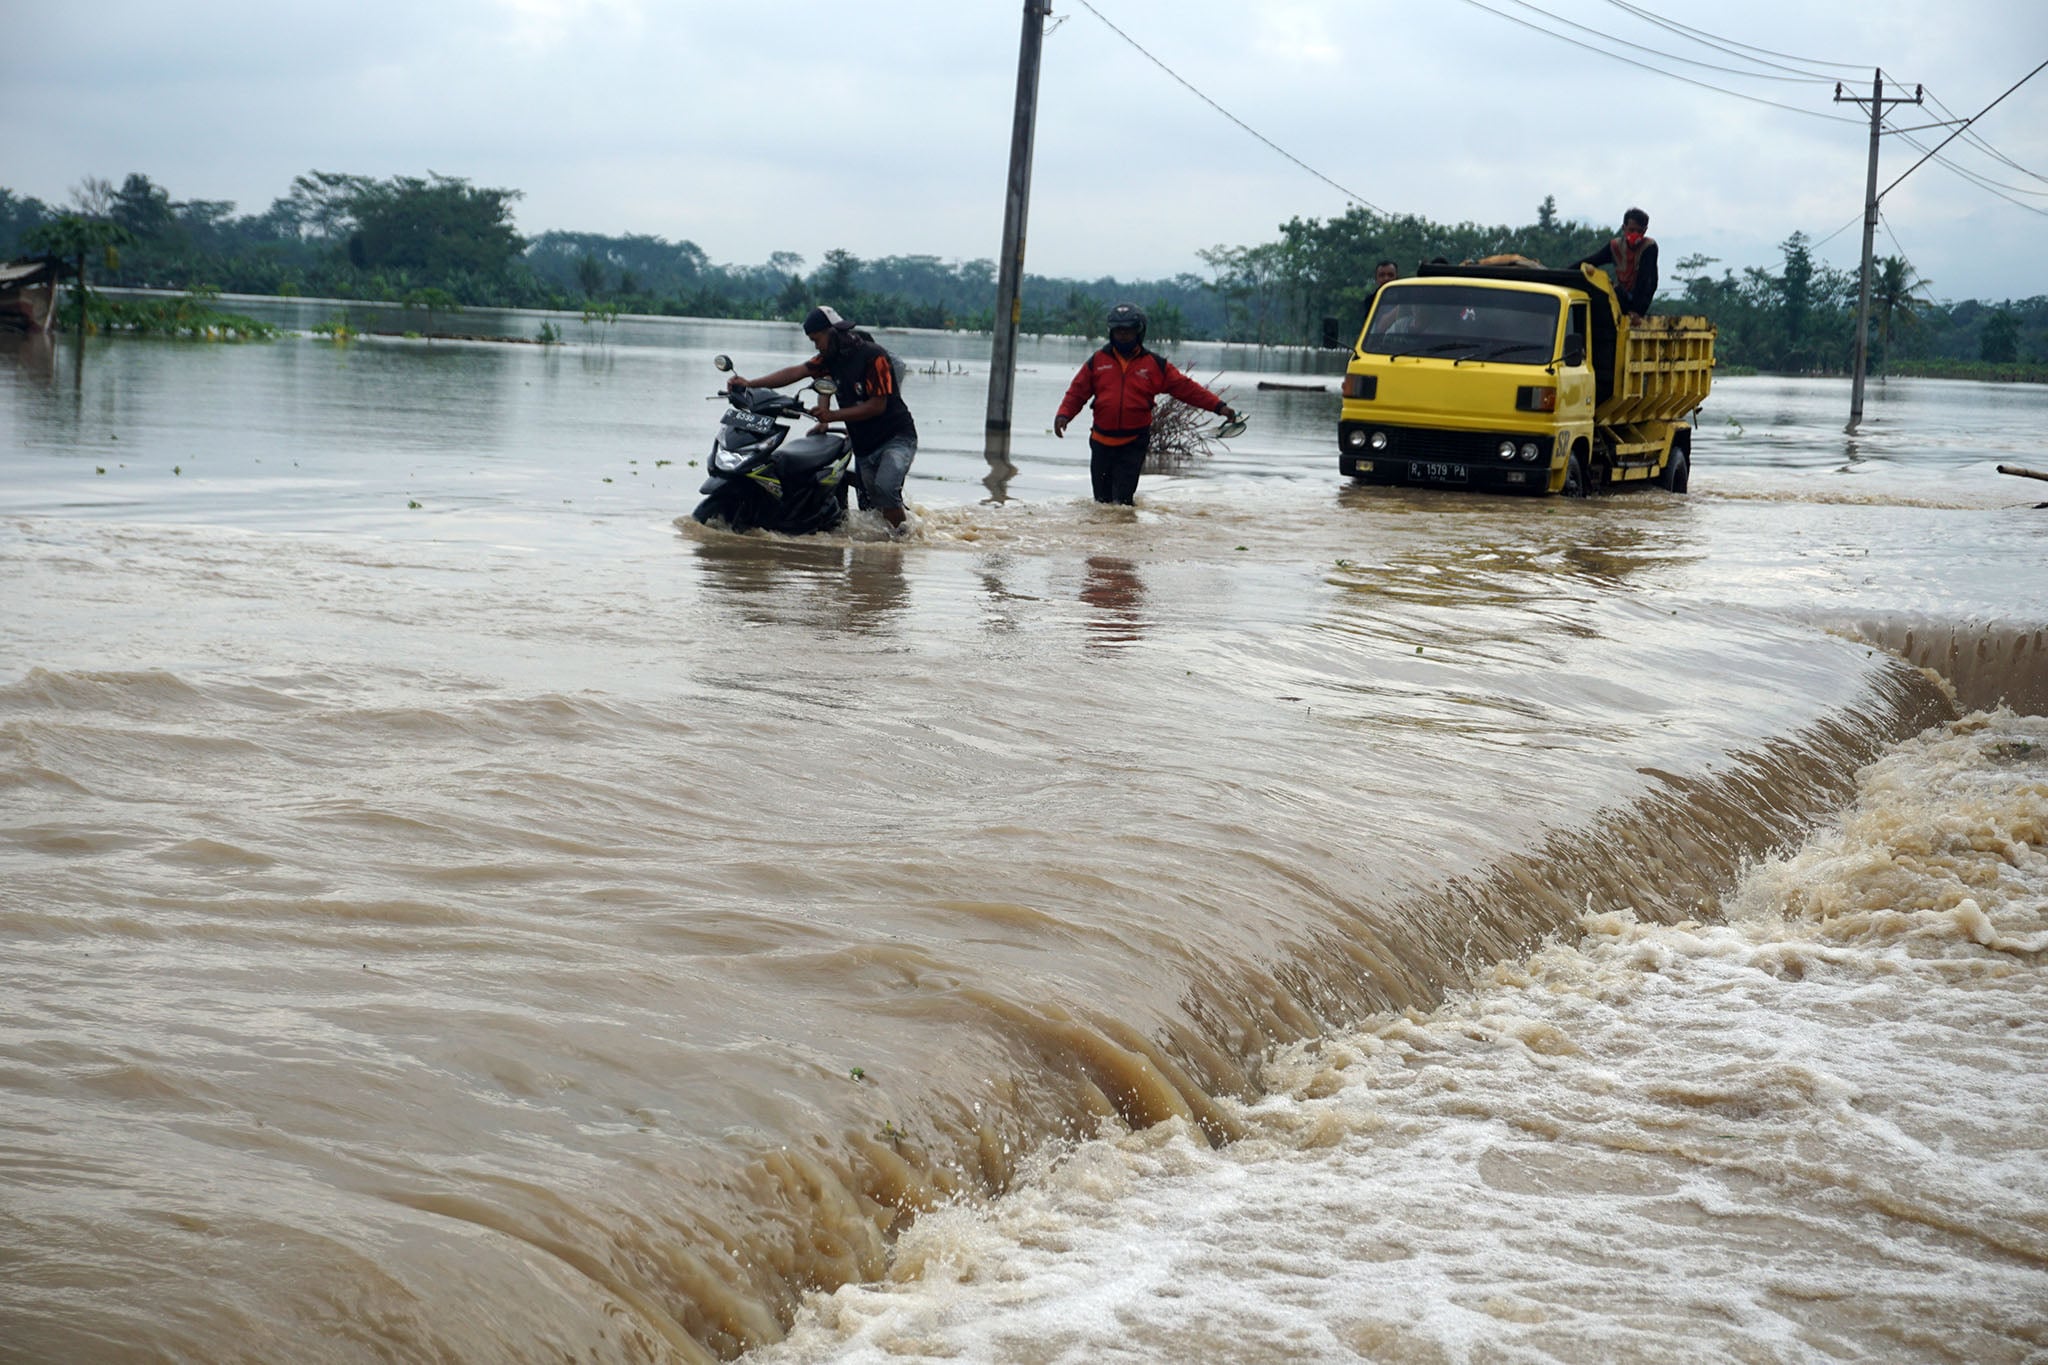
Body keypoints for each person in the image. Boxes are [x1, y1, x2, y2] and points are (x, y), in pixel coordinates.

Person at [726, 305, 917, 530]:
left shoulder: (874, 357)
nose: (816, 346)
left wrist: (831, 416)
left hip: (896, 438)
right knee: (874, 504)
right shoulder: (830, 359)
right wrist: (750, 383)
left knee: (885, 488)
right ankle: (892, 546)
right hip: (864, 444)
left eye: (816, 340)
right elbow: (796, 372)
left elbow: (877, 406)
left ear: (832, 333)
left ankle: (904, 539)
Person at [1053, 302, 1240, 505]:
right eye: (1118, 331)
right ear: (1111, 332)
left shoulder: (1155, 365)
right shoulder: (1097, 361)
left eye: (1128, 331)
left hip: (1133, 444)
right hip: (1101, 443)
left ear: (1139, 331)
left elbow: (1187, 389)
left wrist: (1219, 406)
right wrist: (1064, 414)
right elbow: (1077, 392)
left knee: (1123, 502)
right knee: (1101, 503)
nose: (1123, 335)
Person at [1577, 207, 1659, 320]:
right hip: (1620, 297)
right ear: (1624, 228)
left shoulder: (1648, 247)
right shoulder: (1616, 246)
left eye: (1639, 231)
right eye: (1631, 230)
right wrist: (1564, 273)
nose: (1635, 234)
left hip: (1636, 300)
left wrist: (1638, 311)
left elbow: (1648, 282)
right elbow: (1593, 260)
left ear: (1645, 231)